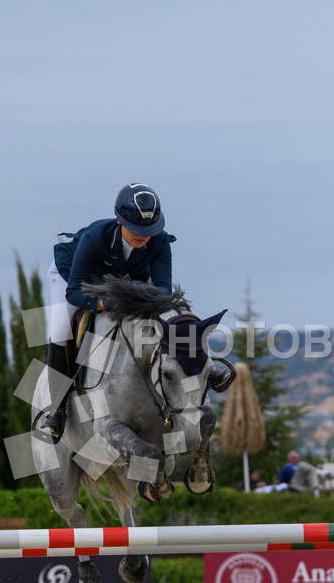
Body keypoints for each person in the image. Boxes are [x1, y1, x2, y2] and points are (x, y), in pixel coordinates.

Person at [39, 183, 232, 441]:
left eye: (149, 230)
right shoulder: (95, 237)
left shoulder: (159, 241)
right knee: (60, 330)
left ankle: (204, 367)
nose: (144, 236)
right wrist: (104, 304)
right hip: (74, 278)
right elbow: (74, 292)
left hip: (126, 284)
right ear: (119, 221)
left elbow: (162, 291)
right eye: (137, 230)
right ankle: (57, 410)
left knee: (172, 309)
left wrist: (133, 296)